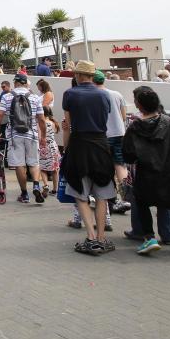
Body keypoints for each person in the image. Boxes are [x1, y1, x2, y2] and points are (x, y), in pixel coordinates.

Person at [122, 87, 170, 259]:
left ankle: (149, 237)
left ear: (139, 105)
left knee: (143, 203)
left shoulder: (135, 126)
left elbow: (128, 154)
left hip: (148, 172)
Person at [59, 61, 116, 256]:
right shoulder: (104, 95)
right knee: (102, 195)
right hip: (100, 144)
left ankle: (90, 236)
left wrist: (65, 150)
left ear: (78, 75)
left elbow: (69, 125)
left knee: (79, 192)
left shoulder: (70, 94)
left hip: (79, 145)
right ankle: (101, 237)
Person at [0, 74, 46, 204]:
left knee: (19, 164)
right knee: (34, 163)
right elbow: (41, 119)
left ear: (15, 83)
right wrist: (44, 136)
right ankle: (36, 185)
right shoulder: (35, 97)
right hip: (32, 134)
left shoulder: (7, 97)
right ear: (25, 83)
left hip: (14, 135)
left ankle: (24, 194)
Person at [95, 73, 131, 215]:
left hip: (104, 134)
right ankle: (127, 196)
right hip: (119, 133)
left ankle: (111, 198)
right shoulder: (117, 94)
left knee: (106, 167)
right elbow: (123, 115)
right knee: (120, 164)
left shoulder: (94, 95)